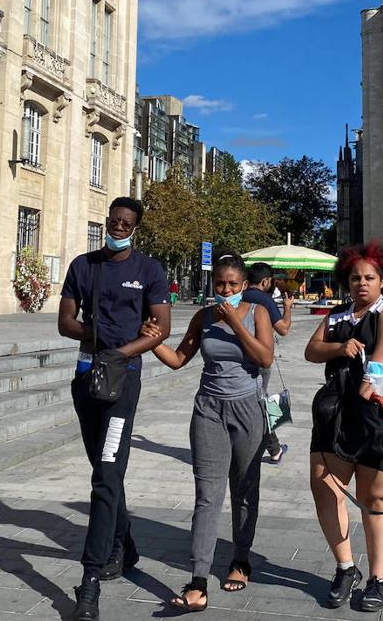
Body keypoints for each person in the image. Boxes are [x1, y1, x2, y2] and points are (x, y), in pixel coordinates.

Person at [57, 197, 171, 621]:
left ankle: (89, 581)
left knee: (106, 474)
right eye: (114, 221)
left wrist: (121, 352)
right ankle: (127, 545)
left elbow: (162, 329)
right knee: (104, 470)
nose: (119, 228)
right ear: (106, 222)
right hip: (87, 378)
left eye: (127, 224)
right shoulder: (83, 265)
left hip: (123, 381)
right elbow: (65, 321)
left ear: (135, 228)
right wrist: (97, 336)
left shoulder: (148, 271)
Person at [141, 253, 274, 611]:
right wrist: (153, 341)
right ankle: (198, 578)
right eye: (220, 284)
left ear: (244, 286)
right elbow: (179, 359)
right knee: (207, 493)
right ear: (212, 285)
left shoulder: (256, 312)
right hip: (208, 409)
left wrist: (236, 322)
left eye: (233, 285)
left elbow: (264, 358)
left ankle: (240, 559)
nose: (226, 290)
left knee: (245, 487)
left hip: (248, 408)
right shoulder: (203, 317)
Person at [306, 242, 383, 613]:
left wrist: (369, 384)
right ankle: (345, 567)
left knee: (375, 500)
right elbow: (312, 349)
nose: (361, 284)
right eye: (354, 278)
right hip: (336, 415)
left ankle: (378, 578)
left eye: (369, 277)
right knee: (325, 488)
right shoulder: (339, 315)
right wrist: (339, 349)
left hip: (377, 417)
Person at [245, 261, 294, 464]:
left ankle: (272, 447)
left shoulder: (241, 296)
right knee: (262, 403)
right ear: (265, 281)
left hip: (240, 357)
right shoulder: (264, 300)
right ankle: (274, 448)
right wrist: (287, 308)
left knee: (255, 401)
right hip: (260, 358)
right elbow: (283, 328)